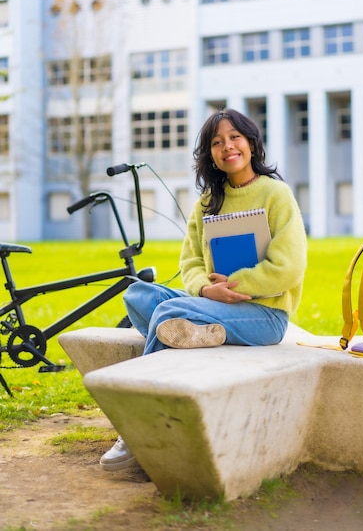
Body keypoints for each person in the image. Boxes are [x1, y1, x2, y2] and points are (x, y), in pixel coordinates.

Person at [100, 108, 307, 470]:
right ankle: (206, 332)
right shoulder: (208, 201)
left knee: (167, 312)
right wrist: (205, 291)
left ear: (251, 143)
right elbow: (190, 262)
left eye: (234, 138)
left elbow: (288, 267)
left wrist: (235, 285)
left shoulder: (276, 194)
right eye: (216, 142)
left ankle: (138, 427)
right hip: (214, 303)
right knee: (138, 294)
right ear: (209, 153)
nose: (227, 146)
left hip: (265, 315)